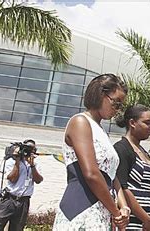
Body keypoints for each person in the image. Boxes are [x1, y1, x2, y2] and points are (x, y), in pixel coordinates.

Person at [53, 74, 130, 230]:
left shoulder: (101, 132)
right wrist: (115, 212)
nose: (117, 110)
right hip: (80, 210)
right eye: (116, 103)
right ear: (101, 94)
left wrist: (123, 207)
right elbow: (91, 173)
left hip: (102, 211)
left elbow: (112, 175)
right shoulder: (80, 122)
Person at [114, 105, 150, 231]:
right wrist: (146, 219)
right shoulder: (121, 149)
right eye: (147, 123)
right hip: (130, 223)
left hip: (147, 224)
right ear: (132, 123)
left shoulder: (144, 152)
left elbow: (148, 188)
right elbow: (122, 188)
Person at [0, 139, 43, 230]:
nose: (28, 151)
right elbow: (12, 179)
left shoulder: (35, 164)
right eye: (27, 148)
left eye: (32, 149)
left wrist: (32, 166)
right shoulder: (11, 161)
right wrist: (17, 161)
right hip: (9, 199)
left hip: (24, 202)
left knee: (17, 228)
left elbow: (38, 180)